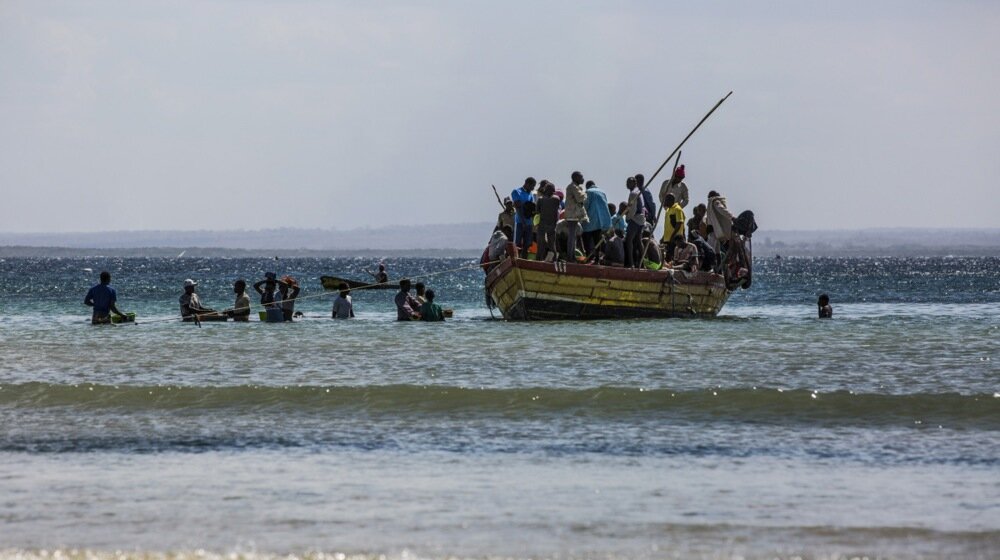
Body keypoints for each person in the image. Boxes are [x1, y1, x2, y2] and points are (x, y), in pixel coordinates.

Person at [582, 179, 611, 261]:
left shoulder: (588, 192)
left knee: (586, 239)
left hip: (589, 220)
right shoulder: (602, 192)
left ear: (587, 186)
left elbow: (585, 206)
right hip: (600, 221)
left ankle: (588, 257)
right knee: (597, 241)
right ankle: (597, 258)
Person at [563, 171, 588, 262]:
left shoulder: (575, 187)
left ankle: (572, 256)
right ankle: (570, 257)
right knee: (572, 237)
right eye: (581, 177)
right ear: (575, 178)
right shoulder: (573, 187)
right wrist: (585, 193)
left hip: (573, 215)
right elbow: (580, 198)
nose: (582, 179)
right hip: (572, 215)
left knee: (573, 237)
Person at [510, 177, 537, 258]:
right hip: (519, 222)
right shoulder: (516, 192)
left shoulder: (530, 194)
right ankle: (516, 258)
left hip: (529, 223)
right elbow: (518, 208)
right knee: (517, 243)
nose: (533, 188)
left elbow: (532, 208)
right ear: (527, 183)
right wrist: (523, 222)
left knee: (527, 244)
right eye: (532, 186)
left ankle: (524, 259)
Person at [535, 182, 561, 262]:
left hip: (542, 225)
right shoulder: (557, 199)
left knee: (540, 244)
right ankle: (554, 260)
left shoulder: (541, 199)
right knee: (552, 244)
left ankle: (539, 259)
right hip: (552, 224)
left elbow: (537, 211)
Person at [624, 177, 645, 268]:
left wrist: (628, 218)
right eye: (627, 182)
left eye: (629, 182)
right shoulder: (639, 192)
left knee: (629, 240)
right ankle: (642, 263)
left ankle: (631, 263)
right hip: (641, 219)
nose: (627, 184)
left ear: (634, 183)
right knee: (638, 241)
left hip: (635, 219)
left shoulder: (633, 194)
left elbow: (633, 209)